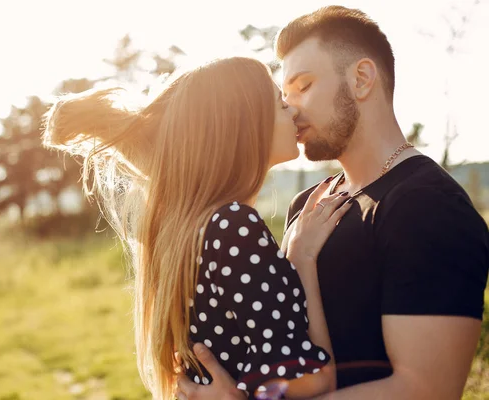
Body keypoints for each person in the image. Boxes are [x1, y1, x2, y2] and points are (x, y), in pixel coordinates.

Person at [176, 6, 489, 400]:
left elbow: (426, 390)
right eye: (284, 95)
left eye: (303, 86)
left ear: (361, 79)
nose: (291, 108)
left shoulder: (429, 207)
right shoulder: (309, 204)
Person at [42, 57, 352, 399]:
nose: (292, 112)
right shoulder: (233, 226)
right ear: (244, 125)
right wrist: (303, 258)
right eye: (280, 104)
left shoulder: (185, 227)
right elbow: (314, 382)